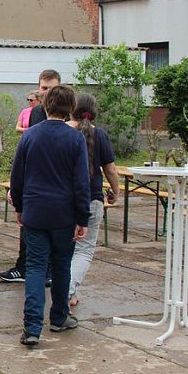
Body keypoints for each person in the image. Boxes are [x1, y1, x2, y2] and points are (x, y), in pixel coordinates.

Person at [11, 85, 90, 346]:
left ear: (45, 106)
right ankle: (58, 318)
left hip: (35, 210)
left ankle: (32, 328)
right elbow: (81, 183)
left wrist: (20, 208)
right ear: (70, 109)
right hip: (63, 214)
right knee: (61, 266)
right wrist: (83, 218)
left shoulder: (30, 135)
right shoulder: (75, 138)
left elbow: (17, 177)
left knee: (34, 268)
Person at [0, 69, 63, 283]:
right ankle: (23, 267)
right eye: (44, 88)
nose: (47, 92)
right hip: (33, 180)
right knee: (26, 225)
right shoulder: (36, 112)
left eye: (52, 88)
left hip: (57, 182)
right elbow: (29, 149)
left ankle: (50, 271)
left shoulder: (68, 113)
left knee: (54, 230)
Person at [67, 93, 120, 314]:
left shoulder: (65, 133)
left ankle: (71, 292)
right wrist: (115, 192)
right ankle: (68, 291)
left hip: (65, 199)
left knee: (66, 250)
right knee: (84, 251)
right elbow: (110, 169)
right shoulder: (100, 135)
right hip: (92, 199)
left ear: (72, 110)